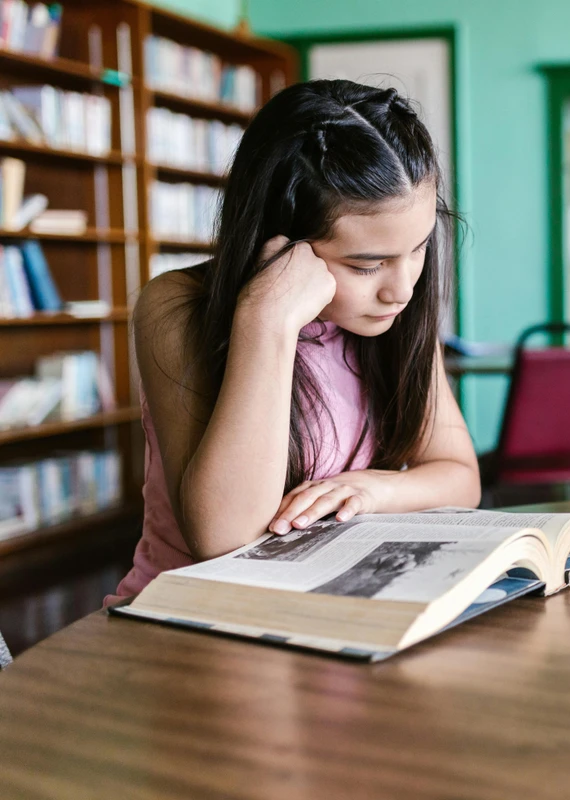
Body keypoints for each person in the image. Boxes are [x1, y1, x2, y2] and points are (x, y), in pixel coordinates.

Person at [109, 80, 480, 601]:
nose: (402, 287)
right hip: (192, 619)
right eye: (366, 264)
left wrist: (374, 489)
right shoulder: (176, 308)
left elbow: (460, 475)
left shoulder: (392, 312)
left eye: (418, 248)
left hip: (326, 608)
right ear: (279, 241)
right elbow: (223, 539)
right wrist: (267, 317)